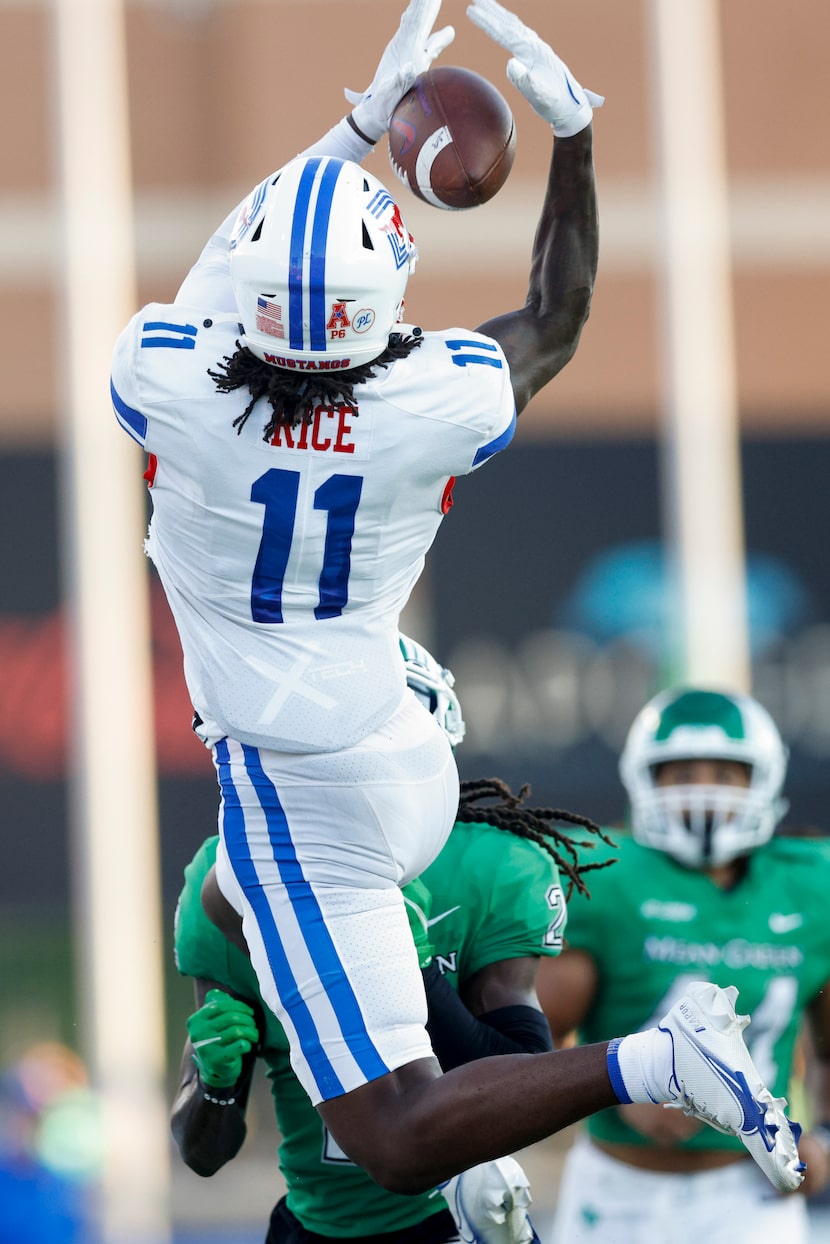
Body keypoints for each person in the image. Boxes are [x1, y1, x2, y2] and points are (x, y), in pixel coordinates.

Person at [110, 0, 802, 1198]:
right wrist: (574, 146)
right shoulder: (432, 398)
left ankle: (650, 1055)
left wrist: (353, 132)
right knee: (246, 915)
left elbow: (223, 270)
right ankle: (360, 1008)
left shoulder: (166, 376)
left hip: (294, 786)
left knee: (391, 1127)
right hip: (398, 747)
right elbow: (554, 316)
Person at [171, 638, 612, 1242]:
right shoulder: (228, 885)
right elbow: (203, 1152)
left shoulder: (492, 867)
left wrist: (413, 972)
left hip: (456, 1213)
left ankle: (647, 1065)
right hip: (315, 1225)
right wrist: (215, 1087)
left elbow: (522, 1077)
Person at [537, 686, 830, 1244]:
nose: (702, 790)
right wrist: (614, 1089)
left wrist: (827, 1138)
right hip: (617, 1185)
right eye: (680, 771)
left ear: (763, 779)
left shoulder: (812, 883)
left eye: (725, 772)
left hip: (753, 1192)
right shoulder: (602, 876)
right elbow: (528, 1044)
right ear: (642, 780)